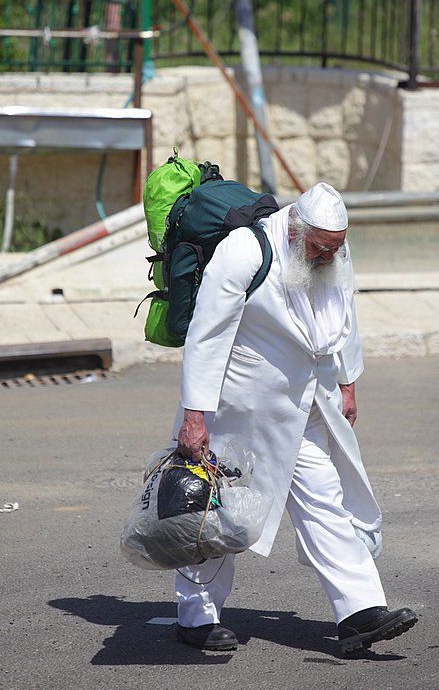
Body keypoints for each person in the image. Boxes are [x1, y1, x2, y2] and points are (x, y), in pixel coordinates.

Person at [171, 182, 417, 653]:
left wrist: (346, 382)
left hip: (305, 405)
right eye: (322, 249)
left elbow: (343, 311)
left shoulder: (329, 251)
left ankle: (360, 611)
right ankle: (196, 617)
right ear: (295, 230)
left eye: (337, 248)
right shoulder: (244, 249)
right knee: (218, 513)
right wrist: (194, 417)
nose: (330, 258)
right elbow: (206, 335)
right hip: (240, 410)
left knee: (325, 497)